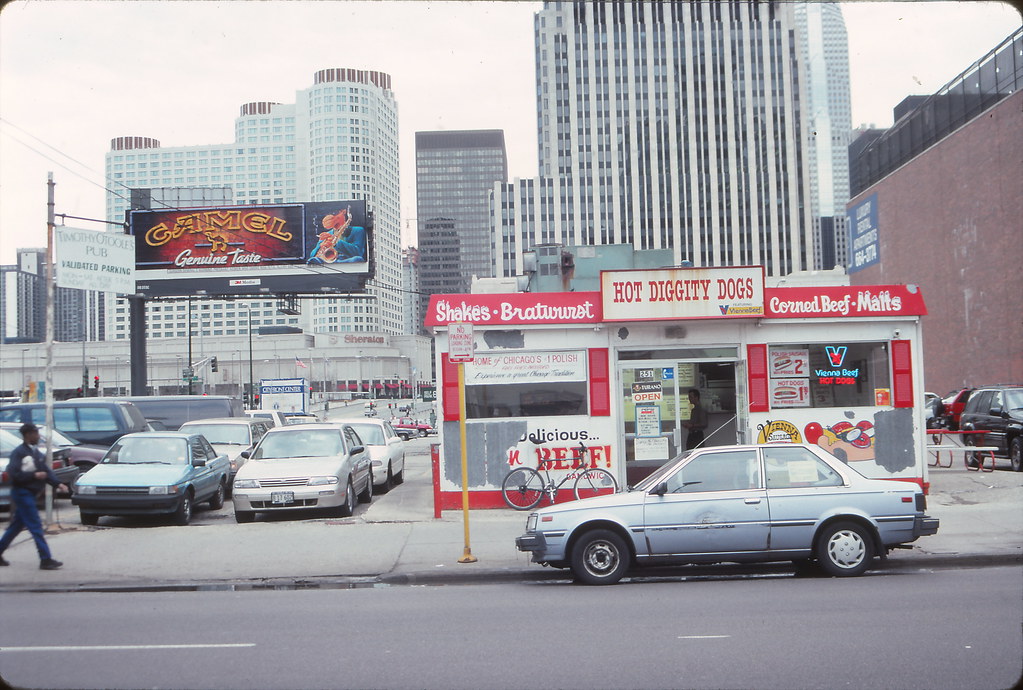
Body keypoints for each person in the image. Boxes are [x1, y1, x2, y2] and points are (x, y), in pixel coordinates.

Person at [0, 423, 67, 570]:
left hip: (30, 493)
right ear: (28, 435)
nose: (38, 436)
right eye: (36, 433)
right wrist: (34, 475)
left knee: (15, 527)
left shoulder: (35, 453)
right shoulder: (19, 453)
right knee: (35, 525)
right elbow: (14, 474)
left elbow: (46, 470)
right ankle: (46, 559)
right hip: (22, 493)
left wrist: (58, 484)